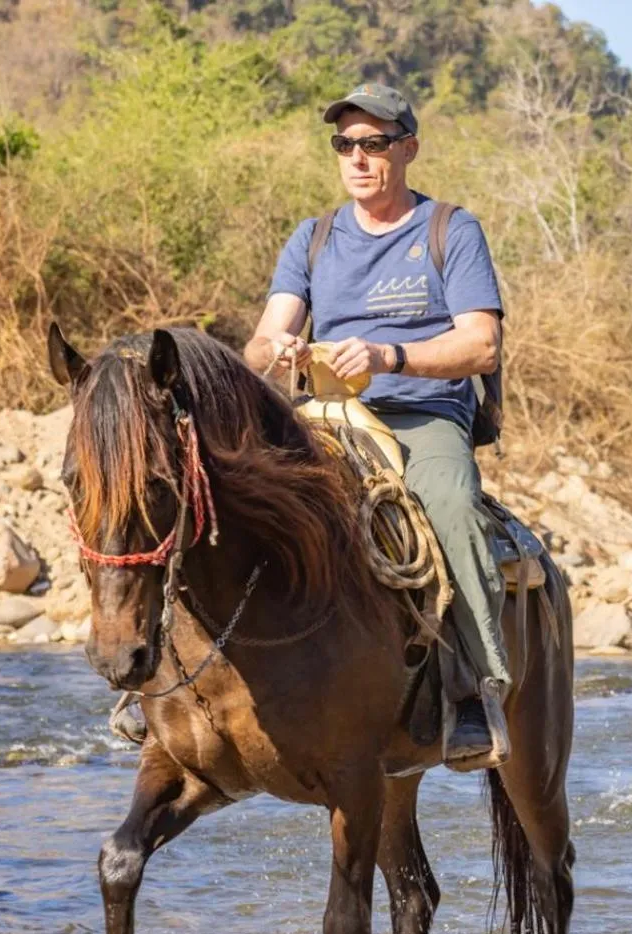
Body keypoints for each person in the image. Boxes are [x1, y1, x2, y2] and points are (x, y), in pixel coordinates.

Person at [243, 83, 508, 767]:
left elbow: (481, 346)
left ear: (408, 149)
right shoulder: (315, 236)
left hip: (423, 411)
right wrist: (283, 351)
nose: (357, 158)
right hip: (326, 413)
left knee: (449, 503)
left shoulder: (452, 229)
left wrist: (392, 354)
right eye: (345, 145)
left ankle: (478, 690)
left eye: (374, 143)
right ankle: (184, 678)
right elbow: (262, 340)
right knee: (232, 491)